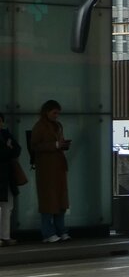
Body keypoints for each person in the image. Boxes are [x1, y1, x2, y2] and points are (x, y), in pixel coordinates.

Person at [31, 99, 70, 243]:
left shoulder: (57, 126)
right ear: (47, 112)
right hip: (46, 169)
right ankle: (48, 232)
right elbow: (35, 146)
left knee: (60, 201)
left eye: (58, 113)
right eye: (54, 113)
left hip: (58, 167)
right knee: (48, 202)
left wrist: (62, 145)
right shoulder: (40, 127)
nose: (56, 115)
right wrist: (55, 145)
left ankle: (61, 230)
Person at [0, 114, 22, 246]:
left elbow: (17, 150)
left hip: (7, 176)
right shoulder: (6, 136)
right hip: (2, 175)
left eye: (1, 121)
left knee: (7, 207)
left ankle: (5, 236)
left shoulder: (6, 134)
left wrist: (9, 149)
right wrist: (8, 148)